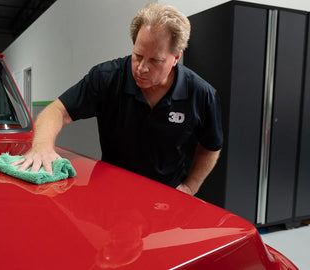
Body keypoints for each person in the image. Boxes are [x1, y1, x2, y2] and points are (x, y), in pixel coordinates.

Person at [13, 3, 223, 196]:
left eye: (154, 61)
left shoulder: (201, 94)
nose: (141, 68)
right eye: (138, 55)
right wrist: (42, 146)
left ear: (176, 58)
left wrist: (189, 187)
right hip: (111, 191)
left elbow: (211, 147)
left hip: (165, 196)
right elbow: (56, 111)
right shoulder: (107, 78)